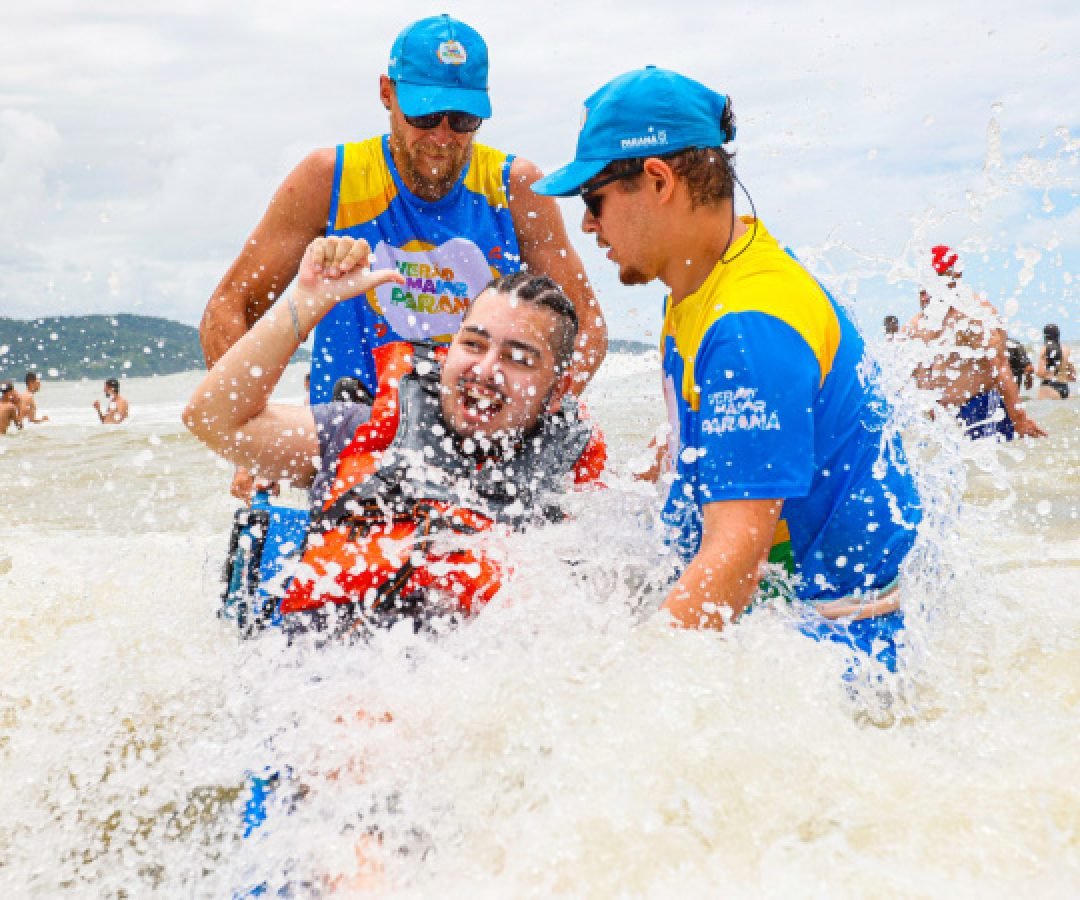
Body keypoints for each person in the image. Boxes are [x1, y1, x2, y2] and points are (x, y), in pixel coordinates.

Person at [532, 66, 921, 668]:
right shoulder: (701, 280)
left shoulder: (749, 323)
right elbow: (693, 446)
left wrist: (619, 690)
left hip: (840, 639)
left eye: (594, 197)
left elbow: (736, 557)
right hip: (789, 603)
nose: (587, 223)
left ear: (657, 179)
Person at [199, 14, 606, 501]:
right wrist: (254, 443)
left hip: (481, 453)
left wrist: (525, 426)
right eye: (425, 116)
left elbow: (586, 327)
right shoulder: (329, 179)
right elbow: (230, 306)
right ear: (387, 94)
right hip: (356, 444)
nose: (442, 136)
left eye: (463, 120)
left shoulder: (515, 188)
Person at [184, 236, 606, 637]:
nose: (484, 369)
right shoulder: (357, 430)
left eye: (517, 358)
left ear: (559, 392)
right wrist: (307, 302)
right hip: (315, 687)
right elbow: (215, 421)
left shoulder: (571, 490)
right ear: (449, 350)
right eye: (474, 345)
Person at [906, 245, 1045, 440]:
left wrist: (1019, 418)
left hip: (980, 409)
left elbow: (1000, 365)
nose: (933, 285)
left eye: (940, 276)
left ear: (957, 275)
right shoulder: (917, 324)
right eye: (929, 278)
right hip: (943, 420)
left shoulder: (975, 314)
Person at [1035, 323, 1074, 400]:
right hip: (1064, 387)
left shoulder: (1044, 349)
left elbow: (1041, 373)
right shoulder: (1066, 349)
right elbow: (1072, 375)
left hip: (1048, 386)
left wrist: (1033, 372)